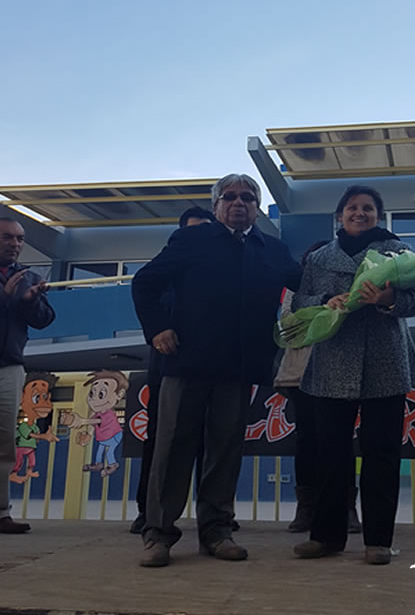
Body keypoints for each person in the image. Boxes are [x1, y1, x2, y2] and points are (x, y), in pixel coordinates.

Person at [132, 174, 301, 567]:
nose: (239, 203)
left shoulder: (274, 250)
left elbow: (305, 287)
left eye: (247, 197)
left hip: (238, 368)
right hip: (187, 363)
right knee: (173, 448)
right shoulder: (191, 240)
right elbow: (144, 283)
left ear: (257, 207)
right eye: (230, 197)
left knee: (225, 451)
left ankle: (217, 532)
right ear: (216, 205)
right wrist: (157, 328)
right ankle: (158, 534)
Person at [291, 186, 415, 565]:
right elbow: (298, 301)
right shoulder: (319, 258)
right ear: (340, 216)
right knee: (330, 454)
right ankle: (325, 537)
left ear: (377, 216)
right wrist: (325, 302)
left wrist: (388, 300)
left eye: (368, 208)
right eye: (352, 207)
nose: (360, 213)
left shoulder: (399, 252)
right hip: (332, 363)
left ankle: (378, 540)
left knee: (382, 453)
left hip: (385, 362)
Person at [130, 206, 216, 534]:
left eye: (206, 230)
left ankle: (214, 514)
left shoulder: (221, 266)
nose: (200, 236)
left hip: (213, 362)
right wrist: (159, 328)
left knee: (213, 438)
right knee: (160, 436)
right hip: (170, 361)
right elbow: (145, 289)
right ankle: (148, 511)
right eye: (193, 230)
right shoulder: (169, 265)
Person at [274, 241, 361, 534]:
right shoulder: (296, 289)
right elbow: (289, 325)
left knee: (342, 441)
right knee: (307, 440)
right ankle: (306, 507)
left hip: (340, 372)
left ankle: (346, 507)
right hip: (301, 374)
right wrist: (325, 308)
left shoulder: (351, 287)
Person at [0, 217, 56, 534]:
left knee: (5, 440)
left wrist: (28, 302)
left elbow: (45, 320)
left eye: (20, 239)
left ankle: (1, 513)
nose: (15, 244)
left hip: (9, 365)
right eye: (7, 237)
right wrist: (5, 299)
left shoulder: (28, 277)